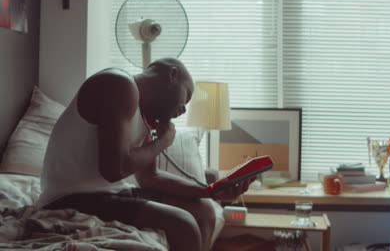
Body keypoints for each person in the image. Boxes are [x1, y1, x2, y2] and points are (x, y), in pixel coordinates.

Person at [36, 58, 256, 251]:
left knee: (205, 211)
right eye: (185, 97)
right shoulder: (119, 84)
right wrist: (162, 142)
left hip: (109, 194)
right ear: (172, 74)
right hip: (69, 198)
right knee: (184, 224)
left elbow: (151, 178)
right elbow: (114, 169)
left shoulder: (143, 113)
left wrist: (211, 192)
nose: (183, 110)